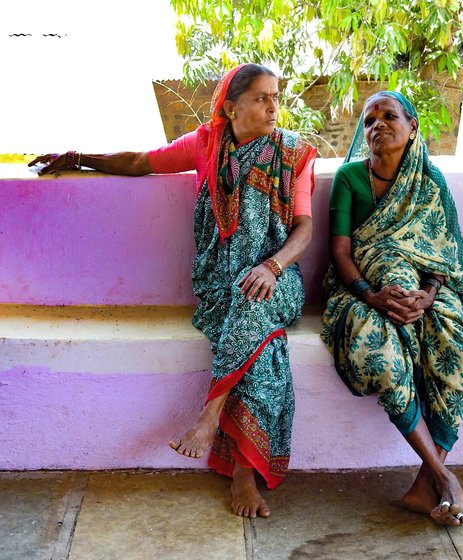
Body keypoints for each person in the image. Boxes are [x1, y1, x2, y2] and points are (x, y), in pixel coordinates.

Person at [29, 63, 317, 519]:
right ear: (231, 106)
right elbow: (141, 162)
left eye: (276, 96)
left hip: (277, 277)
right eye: (262, 97)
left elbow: (304, 227)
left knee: (253, 304)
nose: (273, 106)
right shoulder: (207, 144)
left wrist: (273, 265)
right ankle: (244, 471)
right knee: (264, 347)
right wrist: (80, 158)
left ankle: (209, 419)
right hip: (220, 279)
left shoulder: (293, 153)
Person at [320, 91, 463, 526]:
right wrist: (370, 294)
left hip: (424, 293)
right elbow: (340, 251)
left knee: (460, 350)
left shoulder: (431, 181)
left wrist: (427, 297)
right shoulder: (351, 177)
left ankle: (426, 485)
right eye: (369, 120)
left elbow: (444, 253)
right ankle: (444, 478)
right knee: (382, 358)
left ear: (413, 128)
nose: (378, 125)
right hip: (364, 289)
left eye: (390, 116)